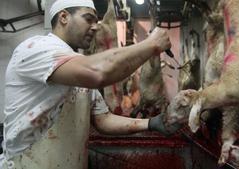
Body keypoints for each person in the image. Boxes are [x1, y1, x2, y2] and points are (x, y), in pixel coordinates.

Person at [0, 0, 181, 168]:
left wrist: (150, 123)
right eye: (88, 19)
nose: (95, 27)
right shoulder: (36, 48)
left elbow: (103, 119)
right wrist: (151, 44)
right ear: (63, 17)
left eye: (96, 21)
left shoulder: (78, 64)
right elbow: (98, 73)